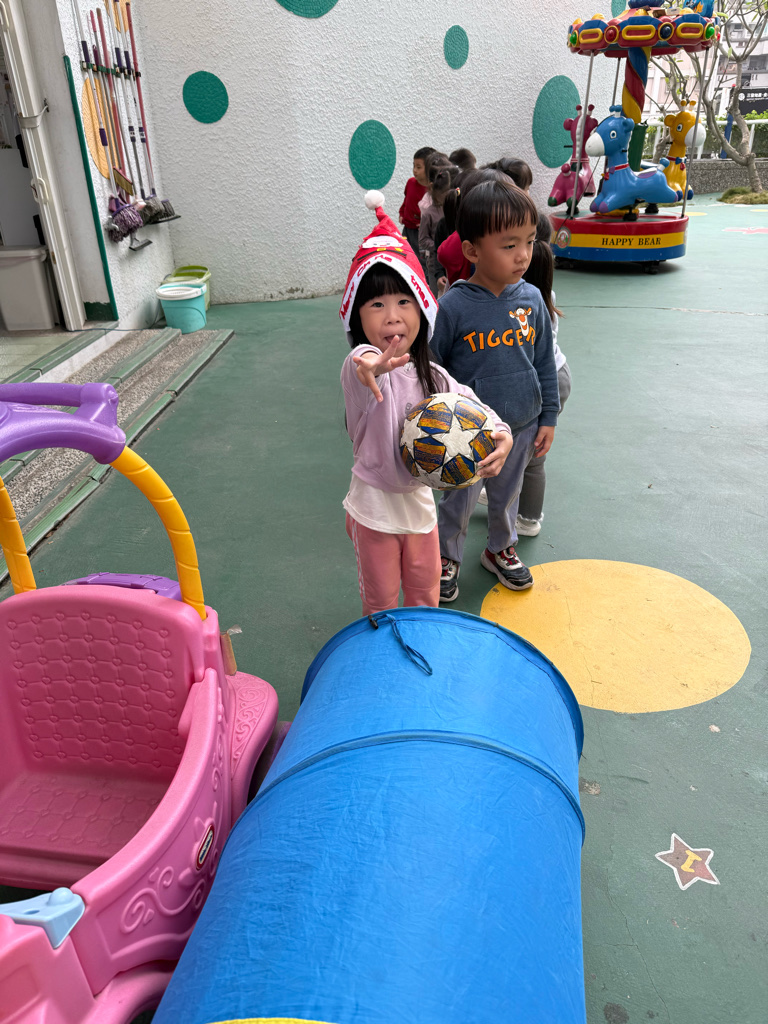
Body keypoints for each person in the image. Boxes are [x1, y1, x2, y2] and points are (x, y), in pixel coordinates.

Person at [340, 192, 513, 617]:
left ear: (422, 309)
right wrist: (371, 366)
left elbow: (471, 404)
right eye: (376, 304)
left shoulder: (433, 377)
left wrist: (502, 434)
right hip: (374, 509)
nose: (392, 315)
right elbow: (362, 365)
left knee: (425, 593)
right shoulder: (361, 368)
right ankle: (382, 652)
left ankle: (423, 646)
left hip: (419, 506)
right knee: (380, 602)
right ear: (357, 318)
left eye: (404, 302)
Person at [429, 179, 559, 602]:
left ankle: (500, 549)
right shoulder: (454, 306)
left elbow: (543, 362)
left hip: (521, 424)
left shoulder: (533, 299)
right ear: (472, 251)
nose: (524, 255)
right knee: (458, 500)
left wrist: (548, 417)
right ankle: (446, 557)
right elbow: (432, 369)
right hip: (467, 432)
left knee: (506, 496)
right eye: (509, 245)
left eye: (530, 241)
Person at [515, 210, 570, 536]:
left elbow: (528, 359)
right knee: (525, 451)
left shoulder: (526, 306)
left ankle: (528, 519)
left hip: (546, 381)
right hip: (558, 373)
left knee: (533, 457)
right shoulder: (545, 294)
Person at [419, 155, 459, 296]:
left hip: (451, 263)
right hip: (435, 265)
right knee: (437, 298)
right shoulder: (428, 214)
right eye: (444, 195)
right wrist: (440, 245)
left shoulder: (454, 209)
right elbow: (422, 240)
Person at [399, 147, 435, 266]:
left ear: (430, 168)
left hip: (422, 233)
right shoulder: (410, 183)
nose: (415, 170)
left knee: (422, 262)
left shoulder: (434, 189)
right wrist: (402, 213)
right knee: (405, 257)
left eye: (418, 167)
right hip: (407, 230)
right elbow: (406, 201)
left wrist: (427, 225)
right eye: (414, 166)